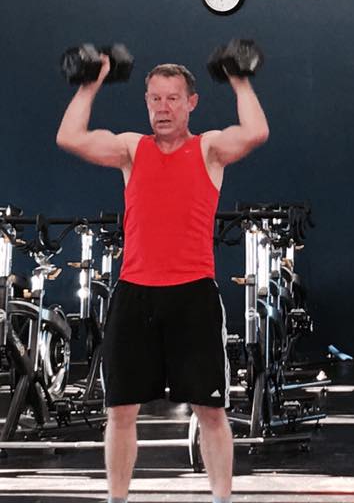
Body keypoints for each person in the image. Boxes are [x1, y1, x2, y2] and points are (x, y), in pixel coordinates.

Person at [56, 55, 269, 503]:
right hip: (135, 294)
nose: (163, 107)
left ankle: (221, 500)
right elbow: (69, 137)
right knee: (120, 410)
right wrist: (90, 83)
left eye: (173, 98)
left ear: (191, 102)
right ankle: (117, 499)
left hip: (193, 295)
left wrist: (240, 79)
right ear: (147, 102)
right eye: (155, 98)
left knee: (210, 409)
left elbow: (255, 133)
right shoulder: (133, 149)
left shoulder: (209, 148)